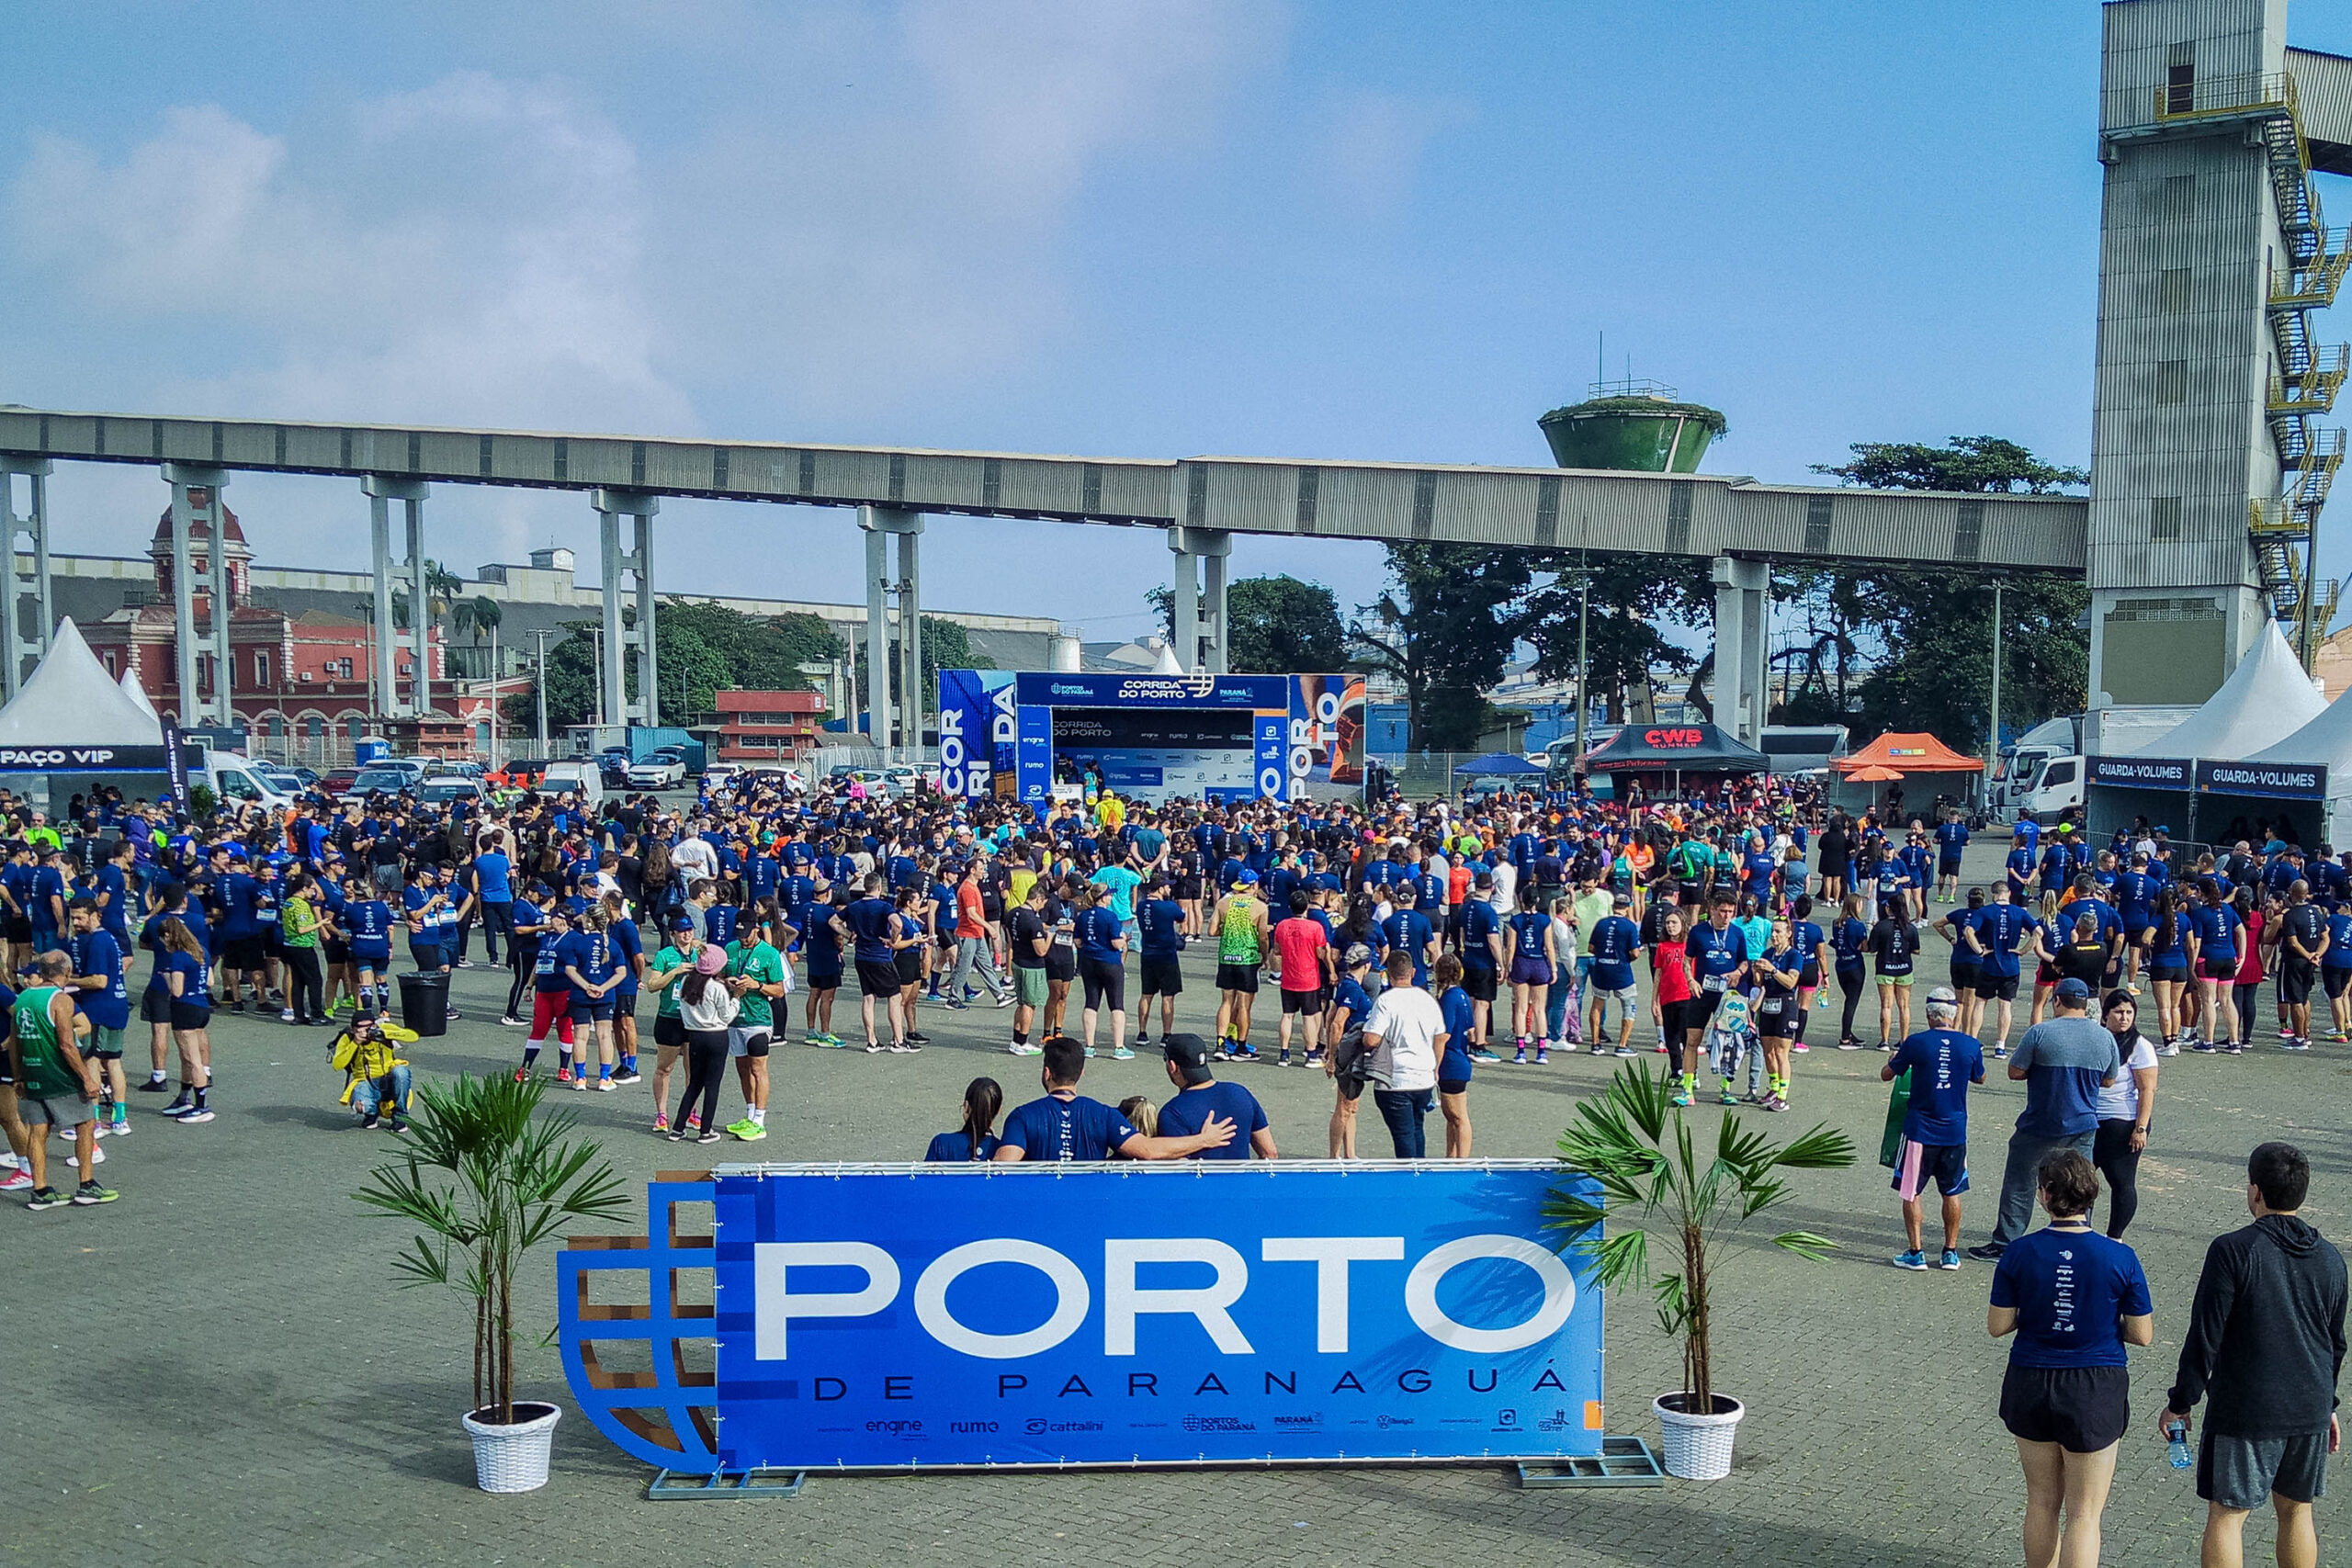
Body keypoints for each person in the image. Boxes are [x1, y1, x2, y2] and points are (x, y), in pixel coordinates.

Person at [2160, 1142, 2348, 1568]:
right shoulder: (2332, 1259)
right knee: (2298, 1511)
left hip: (2247, 1411)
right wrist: (2328, 1404)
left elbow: (2204, 1336)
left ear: (2256, 1192)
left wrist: (2181, 1403)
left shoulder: (2232, 1251)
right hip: (2309, 1407)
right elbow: (2335, 1343)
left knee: (2228, 1516)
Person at [1988, 1149, 2154, 1568]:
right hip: (2094, 1387)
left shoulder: (2018, 1252)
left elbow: (1998, 1324)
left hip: (2030, 1379)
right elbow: (2142, 1334)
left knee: (2042, 1502)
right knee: (2084, 1514)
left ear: (2043, 1196)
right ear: (2092, 1194)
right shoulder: (2120, 1256)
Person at [1972, 977, 2121, 1262]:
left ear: (2056, 1000)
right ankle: (2080, 1238)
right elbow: (2110, 1080)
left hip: (2040, 1122)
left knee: (2021, 1180)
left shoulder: (2040, 1033)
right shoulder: (2105, 1037)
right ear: (2085, 1004)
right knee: (2080, 1180)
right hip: (2084, 1124)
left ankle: (2006, 1241)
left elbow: (2014, 1071)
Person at [991, 1034, 1236, 1160]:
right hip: (1090, 1211)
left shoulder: (1022, 1117)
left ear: (1047, 1073)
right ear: (1081, 1073)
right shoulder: (1104, 1114)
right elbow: (1148, 1150)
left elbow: (1004, 1168)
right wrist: (1204, 1140)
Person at [1883, 987, 1984, 1269]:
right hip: (1954, 1131)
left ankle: (1916, 1253)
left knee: (1911, 1192)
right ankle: (1950, 1252)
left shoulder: (1915, 1043)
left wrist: (1893, 1059)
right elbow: (1981, 1077)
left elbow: (1886, 1074)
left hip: (1919, 1132)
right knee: (1951, 1191)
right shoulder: (1971, 1045)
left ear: (1929, 1015)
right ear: (1954, 1015)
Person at [12, 953, 115, 1208]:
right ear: (66, 973)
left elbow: (14, 1042)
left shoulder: (23, 998)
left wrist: (18, 1077)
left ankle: (41, 1190)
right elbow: (67, 1045)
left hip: (31, 1073)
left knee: (38, 1130)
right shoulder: (61, 1000)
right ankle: (86, 1185)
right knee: (86, 1122)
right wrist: (87, 1078)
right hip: (58, 1075)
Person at [1362, 951, 1444, 1157]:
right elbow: (1440, 1036)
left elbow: (1371, 1040)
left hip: (1395, 1079)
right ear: (1413, 972)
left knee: (1403, 1135)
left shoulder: (1386, 1001)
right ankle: (1420, 1170)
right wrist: (1435, 1068)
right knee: (1417, 1128)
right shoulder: (1427, 1000)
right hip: (1423, 1077)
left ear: (1387, 974)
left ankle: (1409, 1179)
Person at [2090, 989, 2157, 1242]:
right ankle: (2080, 1230)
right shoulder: (2096, 1039)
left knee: (2122, 1182)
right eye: (2118, 1012)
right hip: (2090, 1121)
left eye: (2129, 1012)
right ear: (2106, 1013)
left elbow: (2147, 1089)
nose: (2124, 1017)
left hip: (2123, 1122)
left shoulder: (2141, 1046)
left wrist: (2140, 1128)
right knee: (2080, 1179)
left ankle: (2114, 1237)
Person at [1154, 1033, 1275, 1159]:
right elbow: (1270, 1153)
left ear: (1173, 1066)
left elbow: (1178, 1170)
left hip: (1202, 1179)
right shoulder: (1241, 1093)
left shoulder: (1172, 1113)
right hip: (1241, 1178)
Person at [670, 944, 738, 1145]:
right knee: (712, 1085)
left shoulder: (686, 982)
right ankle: (705, 1131)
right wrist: (736, 999)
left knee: (695, 1083)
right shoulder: (717, 988)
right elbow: (726, 1016)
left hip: (695, 1035)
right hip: (716, 1036)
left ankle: (678, 1128)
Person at [1210, 869, 1271, 1061]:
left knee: (1226, 1001)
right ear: (1253, 886)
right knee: (1244, 1004)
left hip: (1226, 957)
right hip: (1248, 959)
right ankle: (1241, 1047)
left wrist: (1229, 932)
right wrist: (1265, 956)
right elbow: (1262, 936)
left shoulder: (1223, 903)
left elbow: (1212, 931)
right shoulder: (1260, 907)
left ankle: (1220, 1043)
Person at [1270, 889, 1331, 1067]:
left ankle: (1284, 1052)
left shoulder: (1282, 925)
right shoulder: (1315, 927)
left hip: (1288, 978)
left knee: (1287, 1015)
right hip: (1308, 979)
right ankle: (1311, 1053)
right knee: (1309, 1017)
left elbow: (1277, 950)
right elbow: (1320, 953)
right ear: (1306, 907)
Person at [1324, 942, 1374, 1157]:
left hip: (1351, 1052)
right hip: (1350, 1053)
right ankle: (1334, 1156)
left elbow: (1329, 1015)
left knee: (1351, 1106)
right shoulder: (1353, 989)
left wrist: (1329, 1048)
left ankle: (1350, 1154)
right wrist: (1333, 1057)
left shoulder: (1347, 985)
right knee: (1344, 1107)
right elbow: (1337, 1022)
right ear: (1367, 965)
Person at [331, 1013, 413, 1133]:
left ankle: (400, 1117)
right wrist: (355, 1043)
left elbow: (413, 1036)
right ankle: (371, 1114)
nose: (367, 1030)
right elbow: (337, 1065)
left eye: (370, 1026)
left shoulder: (383, 1030)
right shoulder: (348, 1038)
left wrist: (385, 1034)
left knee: (401, 1072)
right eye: (362, 1027)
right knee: (361, 1105)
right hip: (366, 1081)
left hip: (389, 1078)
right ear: (354, 1029)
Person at [924, 1077, 1002, 1161]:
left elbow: (925, 1174)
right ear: (999, 1110)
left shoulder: (940, 1144)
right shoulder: (1003, 1152)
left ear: (966, 1106)